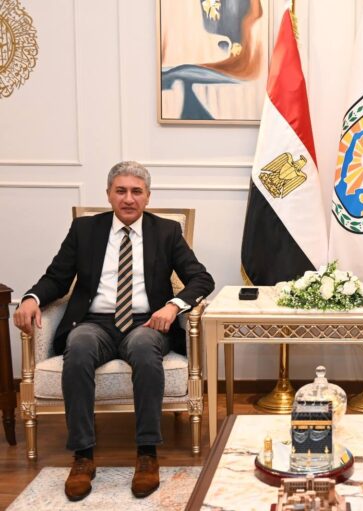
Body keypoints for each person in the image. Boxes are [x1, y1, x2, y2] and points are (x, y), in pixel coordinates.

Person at [13, 161, 215, 501]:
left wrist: (172, 306)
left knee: (145, 349)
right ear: (108, 194)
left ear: (148, 196)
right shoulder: (85, 229)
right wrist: (31, 298)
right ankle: (83, 457)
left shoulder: (166, 231)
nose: (128, 198)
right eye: (121, 190)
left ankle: (147, 453)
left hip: (147, 321)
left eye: (136, 191)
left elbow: (201, 278)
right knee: (78, 347)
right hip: (95, 323)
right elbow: (57, 277)